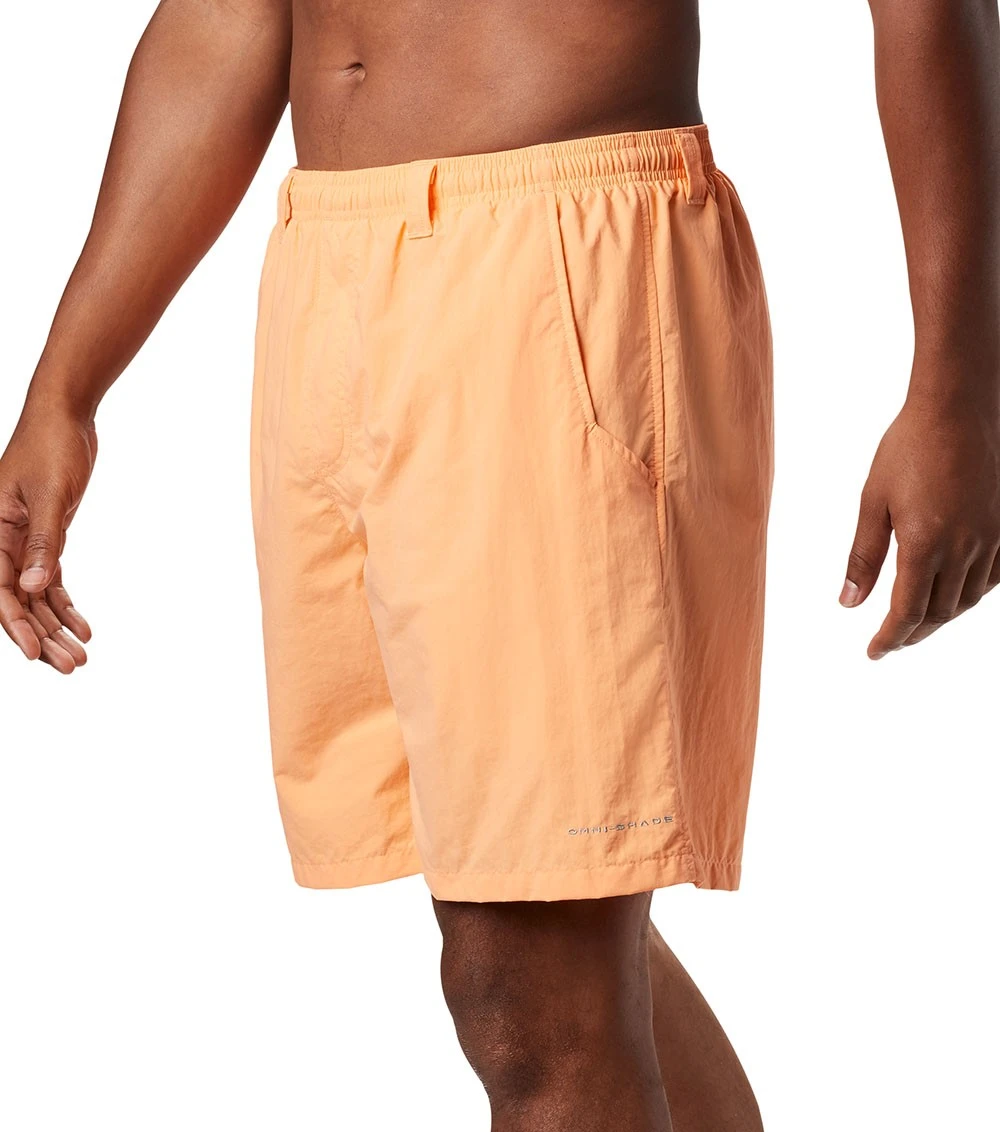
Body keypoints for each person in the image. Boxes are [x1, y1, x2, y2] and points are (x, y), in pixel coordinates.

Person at [2, 2, 999, 1128]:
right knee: (544, 923)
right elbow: (225, 19)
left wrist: (958, 387)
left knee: (525, 987)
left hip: (559, 258)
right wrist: (66, 388)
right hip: (332, 278)